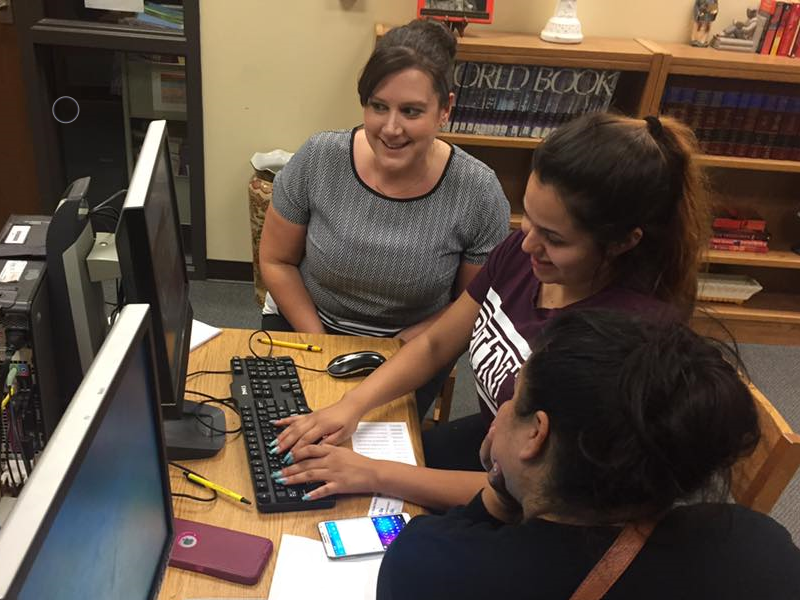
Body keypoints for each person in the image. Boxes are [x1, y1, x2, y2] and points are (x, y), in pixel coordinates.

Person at [268, 111, 709, 511]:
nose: (528, 243)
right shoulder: (523, 254)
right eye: (529, 218)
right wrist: (352, 405)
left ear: (623, 242)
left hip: (540, 508)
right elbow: (438, 343)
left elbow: (530, 493)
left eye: (555, 238)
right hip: (493, 453)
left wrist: (375, 473)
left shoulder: (618, 343)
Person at [376, 310, 800, 600]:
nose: (500, 411)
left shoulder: (429, 568)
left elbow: (430, 548)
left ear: (535, 436)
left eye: (514, 398)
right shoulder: (760, 547)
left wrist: (498, 485)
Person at [258, 19, 510, 419]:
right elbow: (276, 260)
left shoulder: (478, 192)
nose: (391, 129)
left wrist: (400, 351)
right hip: (307, 327)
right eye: (379, 106)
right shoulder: (319, 158)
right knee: (275, 434)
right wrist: (322, 344)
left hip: (410, 351)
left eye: (411, 111)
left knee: (369, 458)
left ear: (446, 108)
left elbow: (471, 305)